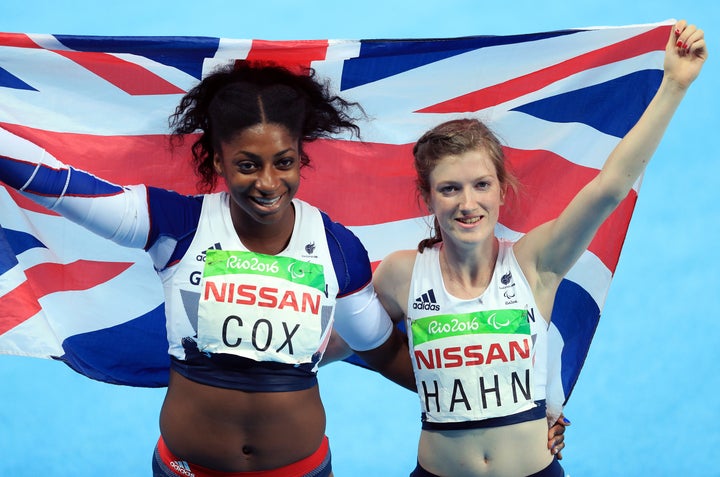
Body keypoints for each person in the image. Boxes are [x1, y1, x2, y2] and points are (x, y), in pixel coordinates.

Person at [0, 61, 417, 476]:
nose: (268, 183)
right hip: (187, 469)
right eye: (248, 165)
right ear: (218, 161)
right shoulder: (174, 224)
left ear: (301, 158)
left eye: (284, 163)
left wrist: (476, 401)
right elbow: (55, 183)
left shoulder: (337, 248)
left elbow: (380, 348)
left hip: (299, 470)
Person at [372, 20, 706, 477]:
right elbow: (342, 338)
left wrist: (673, 85)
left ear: (501, 191)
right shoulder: (400, 274)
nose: (467, 204)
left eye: (481, 185)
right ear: (427, 197)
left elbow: (609, 188)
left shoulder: (535, 262)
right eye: (449, 189)